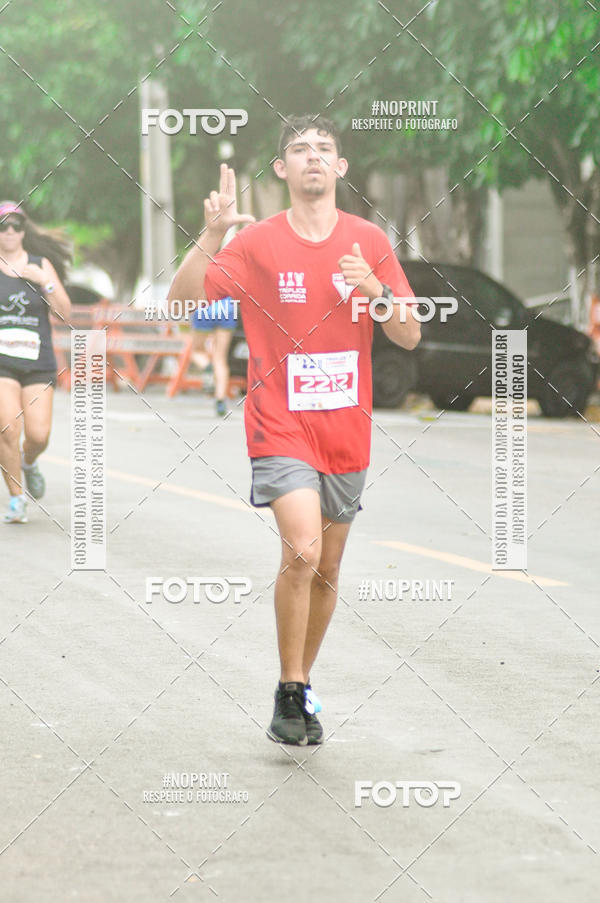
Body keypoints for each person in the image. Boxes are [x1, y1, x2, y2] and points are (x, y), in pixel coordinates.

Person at [168, 115, 420, 745]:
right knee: (302, 549)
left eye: (324, 150)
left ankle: (303, 685)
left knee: (328, 567)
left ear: (340, 168)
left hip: (346, 429)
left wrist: (377, 293)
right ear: (281, 170)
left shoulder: (368, 241)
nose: (312, 158)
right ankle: (287, 688)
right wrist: (212, 233)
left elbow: (409, 333)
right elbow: (183, 303)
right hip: (279, 423)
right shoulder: (257, 245)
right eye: (299, 150)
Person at [0, 201, 71, 524]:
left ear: (24, 231)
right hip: (3, 363)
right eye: (4, 226)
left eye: (16, 225)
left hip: (38, 361)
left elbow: (65, 315)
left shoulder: (40, 264)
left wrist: (46, 281)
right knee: (7, 430)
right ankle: (16, 499)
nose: (10, 231)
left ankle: (29, 462)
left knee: (39, 435)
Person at [190, 295, 238, 416]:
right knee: (220, 358)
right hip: (227, 309)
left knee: (196, 351)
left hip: (204, 307)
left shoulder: (199, 275)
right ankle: (220, 400)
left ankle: (207, 368)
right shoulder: (228, 275)